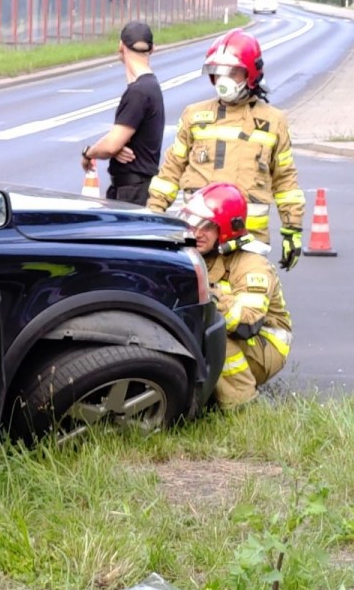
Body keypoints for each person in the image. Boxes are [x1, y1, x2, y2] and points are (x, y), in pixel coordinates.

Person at [147, 29, 305, 268]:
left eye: (232, 72)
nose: (223, 81)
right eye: (217, 74)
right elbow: (170, 171)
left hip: (248, 243)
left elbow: (285, 181)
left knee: (248, 301)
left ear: (251, 73)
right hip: (199, 238)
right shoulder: (194, 116)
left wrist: (292, 229)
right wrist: (154, 216)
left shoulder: (273, 121)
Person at [179, 182, 292, 407]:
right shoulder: (203, 252)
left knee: (215, 338)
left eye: (207, 226)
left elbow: (248, 323)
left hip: (264, 344)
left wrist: (210, 295)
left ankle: (241, 406)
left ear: (226, 228)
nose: (197, 233)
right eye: (193, 223)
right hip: (242, 334)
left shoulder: (252, 265)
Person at [80, 21, 165, 205]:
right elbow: (117, 142)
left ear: (121, 46)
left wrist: (89, 153)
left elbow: (111, 144)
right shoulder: (150, 86)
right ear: (152, 49)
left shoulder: (138, 92)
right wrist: (115, 147)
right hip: (138, 189)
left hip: (132, 192)